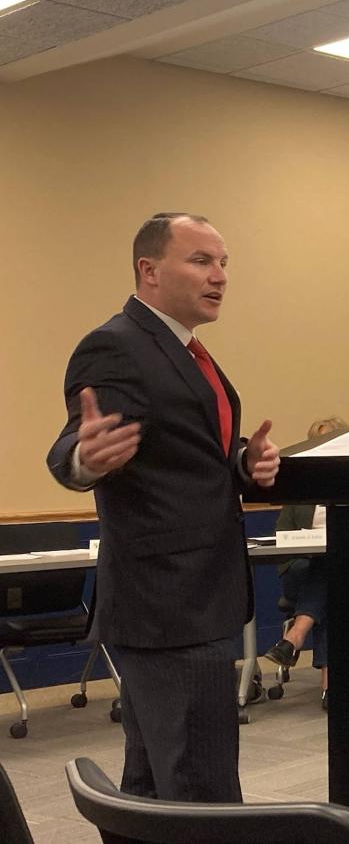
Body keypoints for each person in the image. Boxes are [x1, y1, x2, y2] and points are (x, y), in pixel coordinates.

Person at [47, 212, 280, 803]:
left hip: (191, 600)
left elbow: (186, 460)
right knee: (202, 791)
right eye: (201, 260)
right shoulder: (117, 345)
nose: (220, 275)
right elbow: (72, 443)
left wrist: (245, 465)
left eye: (224, 262)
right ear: (149, 271)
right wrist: (86, 459)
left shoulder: (190, 352)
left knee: (155, 784)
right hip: (168, 605)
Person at [263, 417, 349, 712]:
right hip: (299, 569)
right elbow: (281, 533)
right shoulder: (302, 489)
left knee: (333, 581)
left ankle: (295, 636)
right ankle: (329, 684)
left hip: (339, 572)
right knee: (328, 574)